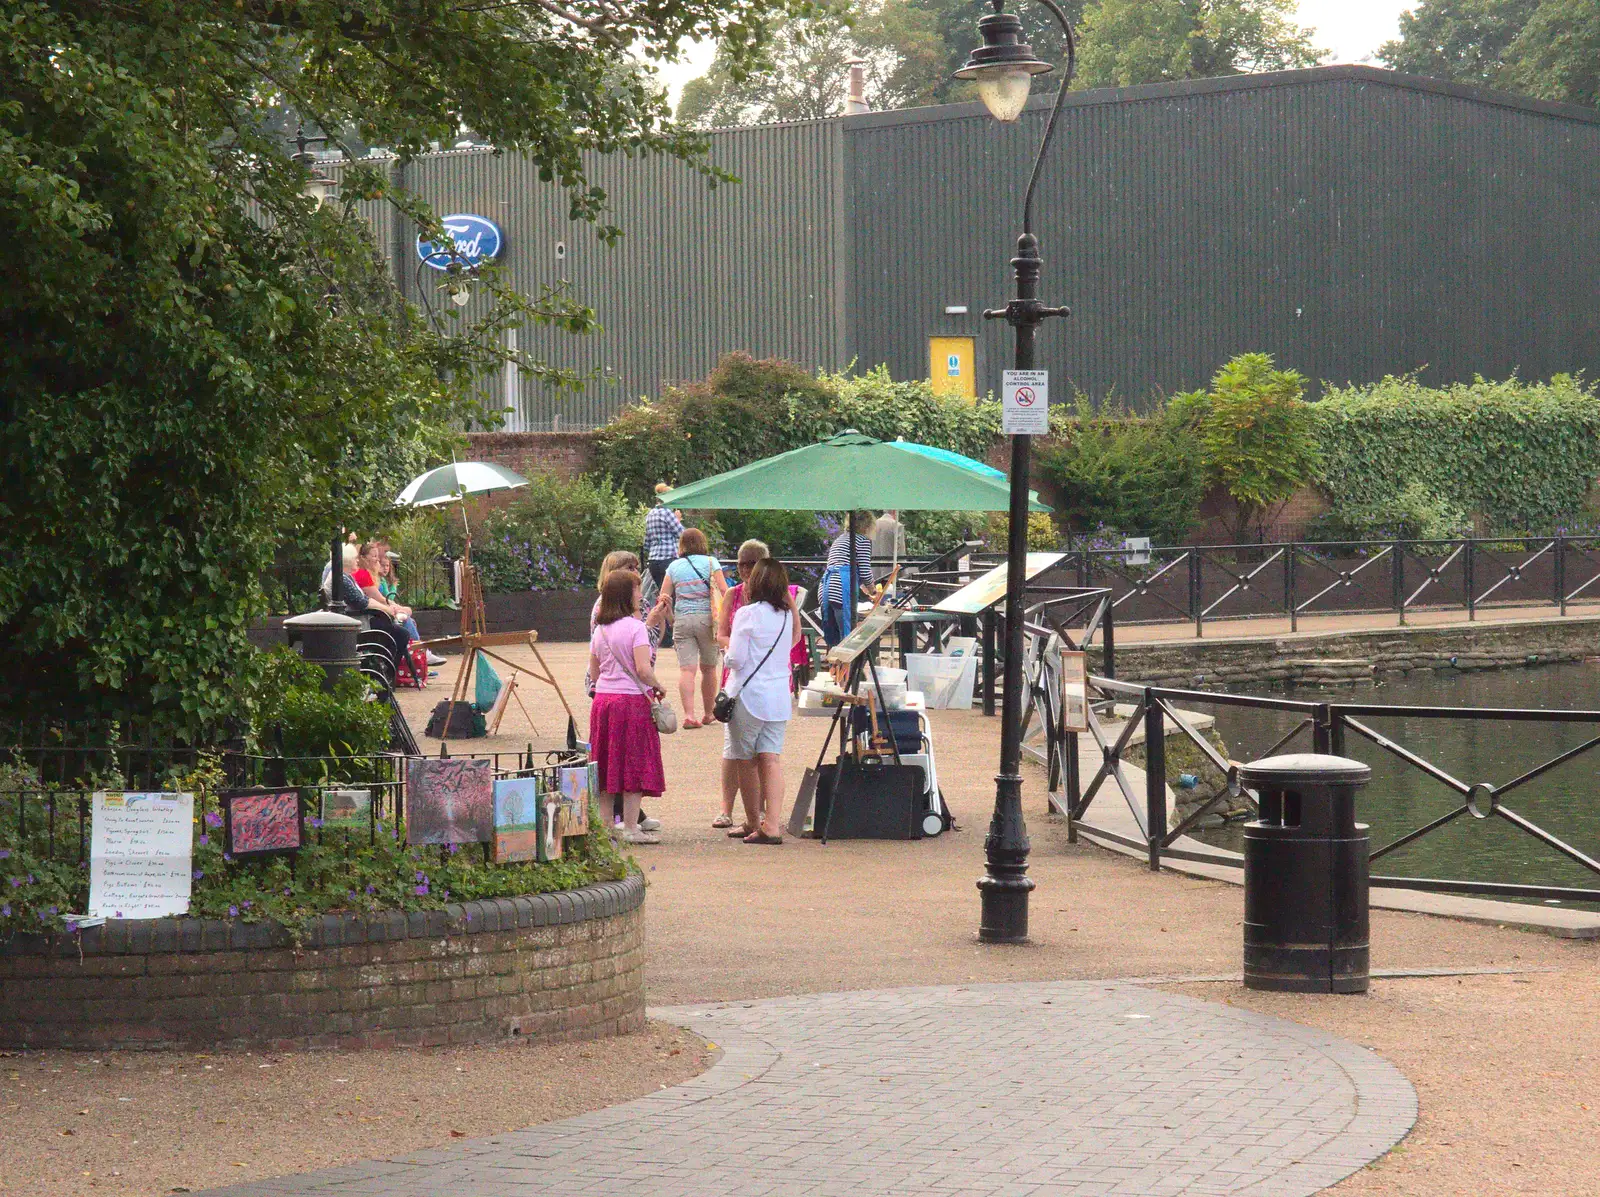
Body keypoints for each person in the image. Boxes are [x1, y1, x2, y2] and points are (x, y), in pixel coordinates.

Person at [714, 540, 806, 831]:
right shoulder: (786, 613)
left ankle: (754, 821)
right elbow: (793, 640)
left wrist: (729, 656)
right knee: (771, 759)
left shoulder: (747, 614)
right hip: (778, 694)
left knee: (745, 760)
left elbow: (737, 659)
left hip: (749, 696)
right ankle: (773, 824)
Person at [588, 569, 668, 845]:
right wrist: (658, 685)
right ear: (626, 595)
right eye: (636, 590)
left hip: (603, 702)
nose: (640, 595)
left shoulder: (600, 630)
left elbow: (594, 673)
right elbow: (644, 669)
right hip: (631, 702)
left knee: (606, 761)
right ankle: (631, 827)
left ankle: (606, 827)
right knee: (634, 761)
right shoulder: (636, 628)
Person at [659, 528, 727, 729]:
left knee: (687, 670)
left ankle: (689, 715)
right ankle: (708, 714)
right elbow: (724, 590)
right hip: (708, 619)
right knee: (708, 669)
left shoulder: (673, 567)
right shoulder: (710, 562)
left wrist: (672, 619)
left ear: (682, 545)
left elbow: (664, 597)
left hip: (683, 620)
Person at [818, 511, 877, 646]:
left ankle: (835, 667)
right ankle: (848, 667)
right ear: (868, 526)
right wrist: (873, 591)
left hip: (826, 586)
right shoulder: (862, 540)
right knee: (847, 637)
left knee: (833, 638)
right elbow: (865, 571)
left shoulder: (840, 539)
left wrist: (865, 589)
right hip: (841, 586)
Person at [643, 483, 683, 647]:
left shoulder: (650, 514)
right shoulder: (668, 514)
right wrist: (678, 520)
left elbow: (646, 543)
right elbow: (682, 535)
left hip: (654, 560)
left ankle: (662, 634)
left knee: (661, 597)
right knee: (670, 597)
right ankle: (669, 636)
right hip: (668, 559)